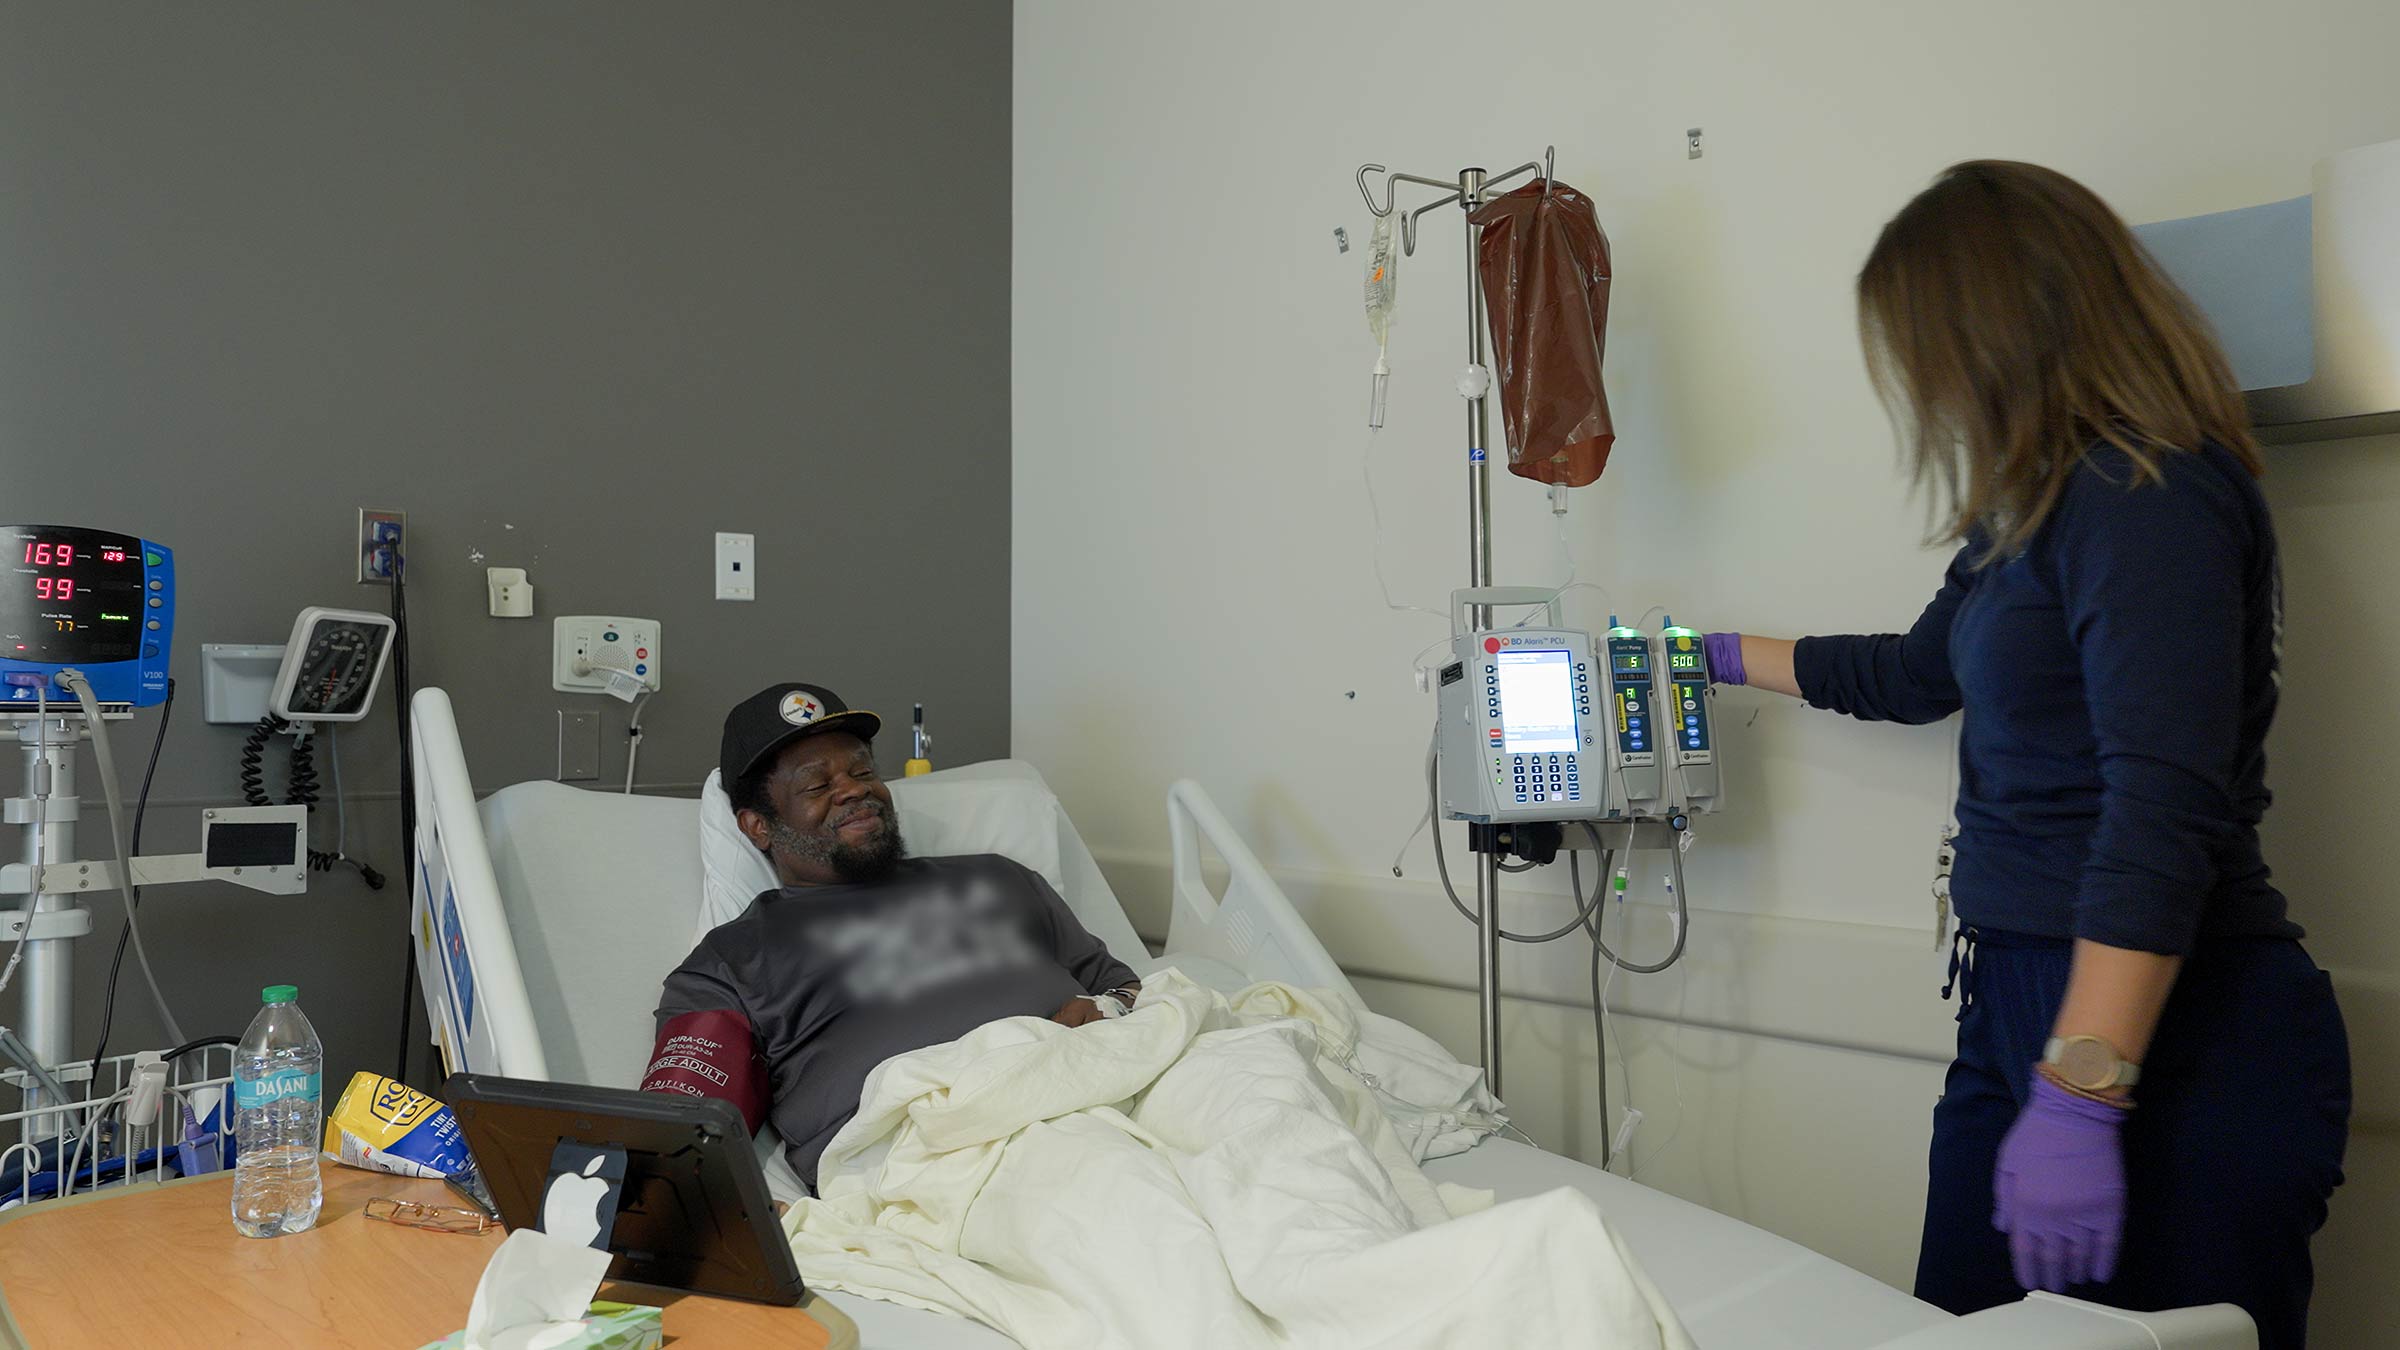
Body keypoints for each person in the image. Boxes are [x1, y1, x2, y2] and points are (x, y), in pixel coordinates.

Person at [1703, 162, 2348, 1348]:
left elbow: (2161, 807)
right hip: (2019, 1012)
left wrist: (2082, 1093)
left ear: (1994, 325)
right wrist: (1705, 655)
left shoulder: (2144, 488)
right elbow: (1915, 674)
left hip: (2168, 1034)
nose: (1928, 384)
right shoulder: (2029, 512)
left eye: (1923, 346)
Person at [640, 681, 1141, 1194]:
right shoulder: (735, 957)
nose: (855, 789)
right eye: (817, 786)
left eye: (862, 771)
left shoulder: (999, 879)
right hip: (939, 1162)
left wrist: (1113, 1007)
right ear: (757, 827)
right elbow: (684, 1133)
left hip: (1101, 1088)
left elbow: (1127, 988)